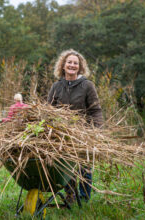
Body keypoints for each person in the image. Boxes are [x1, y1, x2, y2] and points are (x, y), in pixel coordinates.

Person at [48, 49, 104, 203]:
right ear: (63, 65)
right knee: (66, 166)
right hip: (62, 134)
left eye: (75, 63)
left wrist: (96, 130)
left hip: (83, 133)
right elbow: (49, 110)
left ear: (80, 67)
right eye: (69, 62)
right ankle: (71, 195)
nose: (72, 65)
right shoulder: (56, 86)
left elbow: (95, 110)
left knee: (84, 167)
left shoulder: (87, 85)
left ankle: (84, 198)